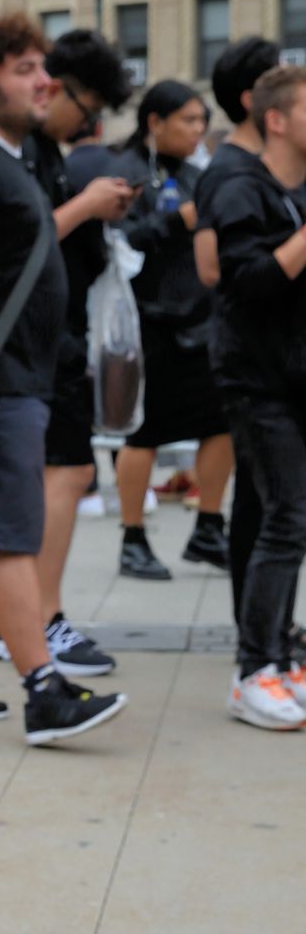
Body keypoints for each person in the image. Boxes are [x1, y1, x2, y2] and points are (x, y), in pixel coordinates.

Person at [0, 14, 127, 744]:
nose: (45, 82)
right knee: (11, 537)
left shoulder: (4, 156)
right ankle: (45, 692)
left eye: (44, 68)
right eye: (26, 70)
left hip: (5, 381)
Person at [0, 30, 134, 677]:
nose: (84, 115)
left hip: (44, 344)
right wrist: (88, 205)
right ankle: (36, 619)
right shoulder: (6, 150)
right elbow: (22, 237)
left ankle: (20, 623)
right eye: (83, 100)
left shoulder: (38, 148)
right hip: (27, 352)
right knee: (60, 478)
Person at [208, 65, 306, 728]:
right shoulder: (240, 186)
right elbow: (246, 283)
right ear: (278, 119)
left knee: (294, 519)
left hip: (295, 376)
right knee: (285, 517)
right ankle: (253, 671)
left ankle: (279, 653)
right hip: (256, 380)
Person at [192, 39, 299, 637]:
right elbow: (218, 271)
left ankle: (270, 629)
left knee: (271, 507)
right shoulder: (232, 173)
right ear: (260, 105)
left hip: (277, 362)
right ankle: (259, 640)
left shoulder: (264, 172)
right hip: (252, 363)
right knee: (268, 511)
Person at [112, 81, 232, 580]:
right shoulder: (127, 171)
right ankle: (133, 536)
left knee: (221, 425)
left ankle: (208, 526)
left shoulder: (195, 172)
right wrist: (178, 222)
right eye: (187, 120)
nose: (197, 130)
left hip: (199, 324)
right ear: (155, 122)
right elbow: (120, 242)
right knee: (144, 434)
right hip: (149, 326)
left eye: (202, 121)